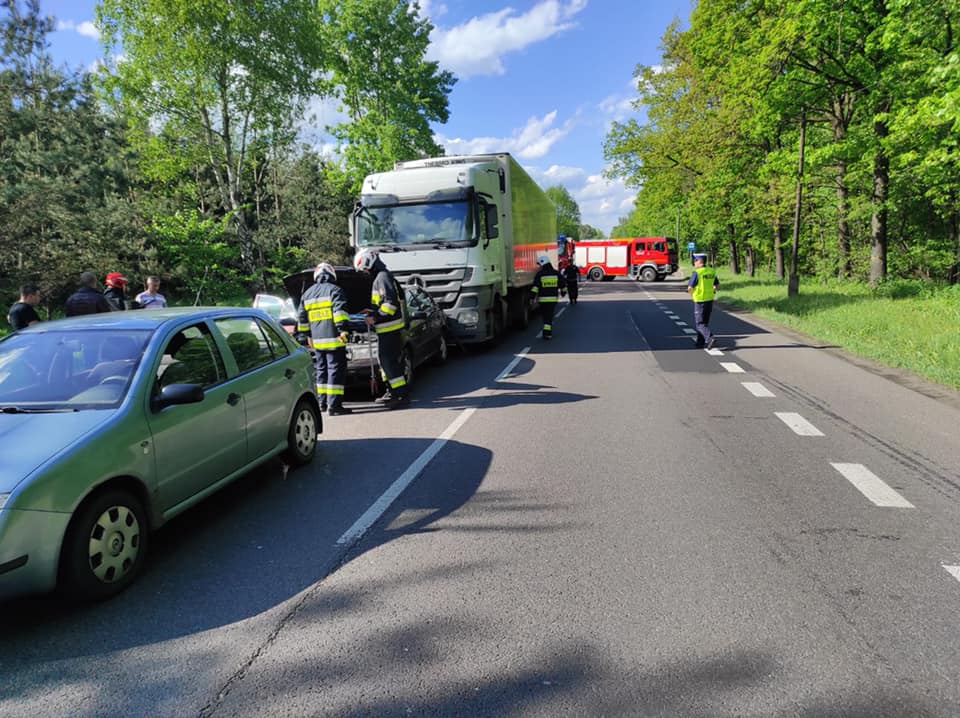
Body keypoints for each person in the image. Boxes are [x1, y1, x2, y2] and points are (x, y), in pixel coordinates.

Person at [354, 247, 409, 409]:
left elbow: (390, 306)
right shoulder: (381, 276)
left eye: (364, 269)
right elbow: (384, 304)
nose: (364, 272)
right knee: (386, 362)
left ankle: (400, 395)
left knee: (389, 362)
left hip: (389, 329)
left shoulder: (382, 277)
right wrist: (371, 311)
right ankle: (392, 391)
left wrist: (375, 317)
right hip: (386, 329)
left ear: (370, 263)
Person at [297, 262, 352, 415]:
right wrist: (343, 331)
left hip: (317, 342)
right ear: (331, 275)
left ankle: (321, 403)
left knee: (321, 370)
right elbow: (339, 312)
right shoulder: (335, 290)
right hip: (334, 339)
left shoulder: (306, 294)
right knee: (335, 370)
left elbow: (302, 318)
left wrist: (306, 336)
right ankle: (334, 406)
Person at [688, 252, 720, 349]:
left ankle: (710, 338)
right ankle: (700, 343)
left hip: (700, 301)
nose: (694, 263)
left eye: (695, 260)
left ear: (699, 261)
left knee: (699, 324)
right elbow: (717, 286)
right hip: (709, 300)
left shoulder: (697, 273)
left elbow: (690, 287)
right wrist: (713, 291)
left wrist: (692, 295)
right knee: (704, 323)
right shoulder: (711, 271)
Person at [531, 254, 565, 339]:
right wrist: (563, 292)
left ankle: (547, 333)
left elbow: (535, 287)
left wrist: (531, 297)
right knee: (549, 316)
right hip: (553, 300)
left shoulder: (540, 274)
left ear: (543, 264)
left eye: (540, 265)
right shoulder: (556, 273)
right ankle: (547, 332)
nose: (539, 267)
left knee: (545, 317)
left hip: (543, 300)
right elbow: (562, 284)